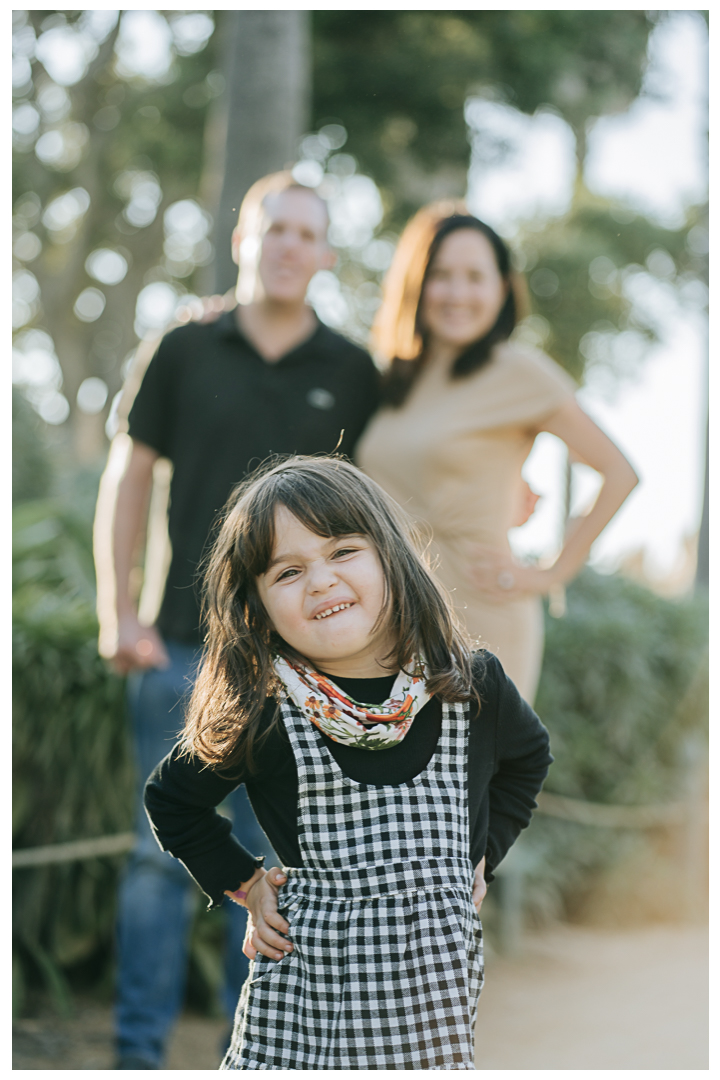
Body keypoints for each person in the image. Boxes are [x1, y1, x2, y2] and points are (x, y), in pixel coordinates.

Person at [93, 173, 380, 1070]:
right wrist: (118, 610)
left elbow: (383, 497)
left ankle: (248, 1052)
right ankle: (137, 1057)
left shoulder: (352, 370)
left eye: (308, 233)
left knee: (272, 862)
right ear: (244, 239)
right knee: (155, 857)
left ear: (326, 254)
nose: (290, 245)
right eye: (275, 229)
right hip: (179, 645)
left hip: (300, 661)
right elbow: (130, 476)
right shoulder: (182, 346)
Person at [143, 455, 553, 1070]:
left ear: (390, 555)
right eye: (287, 571)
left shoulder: (470, 686)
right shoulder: (268, 711)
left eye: (342, 552)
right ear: (256, 606)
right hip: (301, 1027)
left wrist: (483, 853)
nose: (320, 581)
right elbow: (172, 800)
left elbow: (528, 759)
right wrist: (247, 883)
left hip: (429, 1035)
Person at [356, 202, 639, 703]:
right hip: (385, 619)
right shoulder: (394, 379)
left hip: (478, 621)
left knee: (471, 782)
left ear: (502, 289)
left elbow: (619, 473)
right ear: (416, 284)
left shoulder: (520, 372)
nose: (458, 292)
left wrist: (551, 573)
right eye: (441, 275)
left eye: (475, 276)